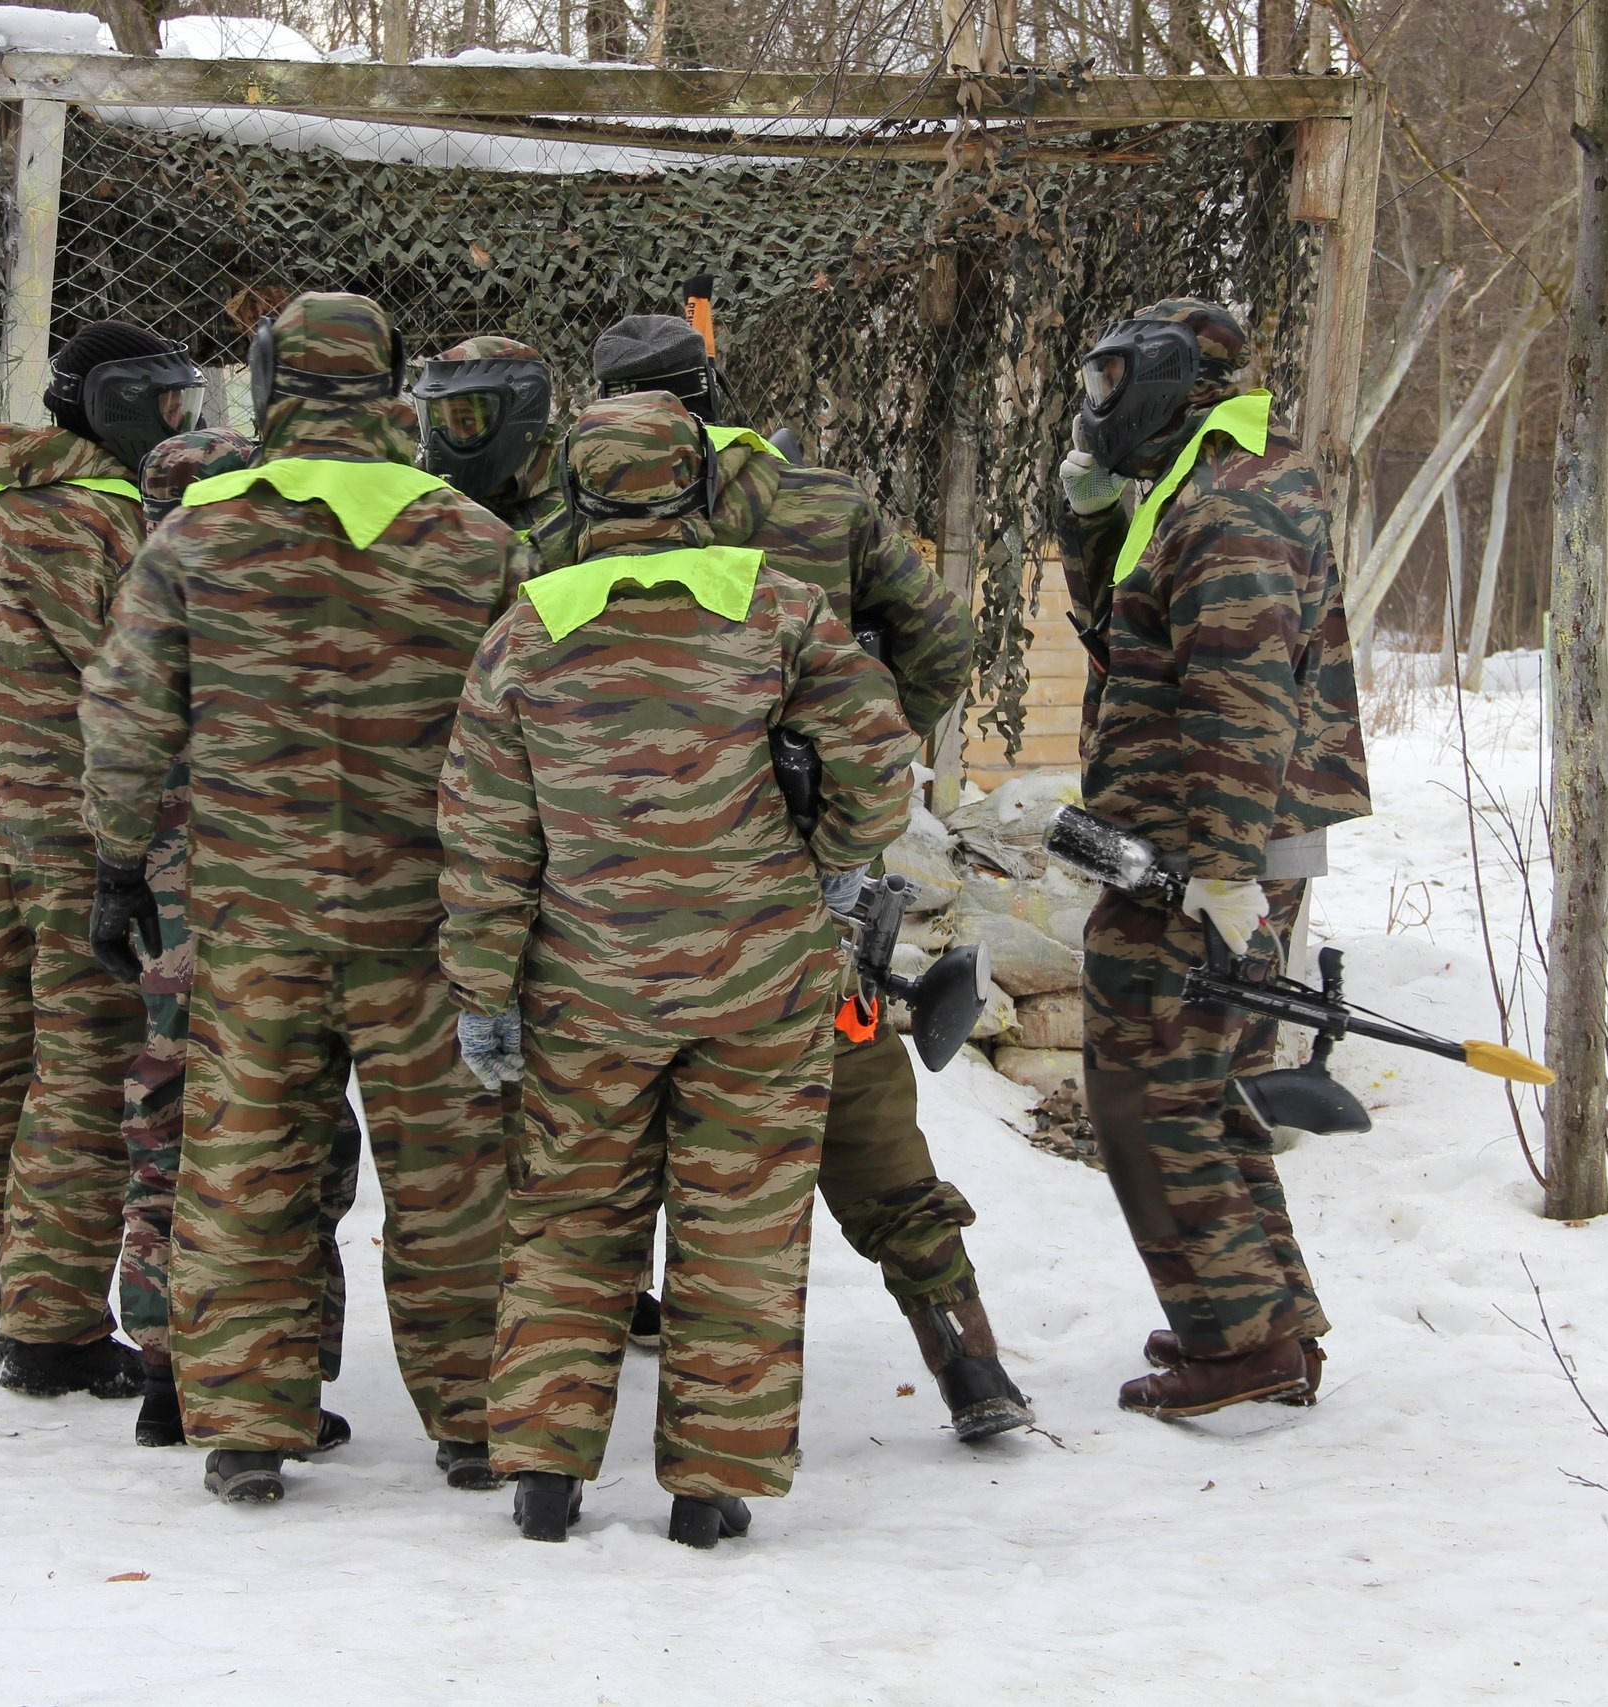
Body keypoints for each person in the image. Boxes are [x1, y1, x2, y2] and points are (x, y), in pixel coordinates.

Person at [438, 391, 921, 1546]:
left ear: (577, 497)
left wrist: (484, 990)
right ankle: (712, 1490)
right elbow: (879, 759)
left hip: (585, 984)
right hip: (762, 977)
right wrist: (836, 873)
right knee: (741, 1226)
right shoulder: (781, 611)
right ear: (697, 493)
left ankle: (545, 1479)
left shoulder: (524, 630)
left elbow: (483, 833)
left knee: (565, 1220)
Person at [551, 311, 1032, 1444]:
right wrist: (855, 780)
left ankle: (585, 1368)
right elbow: (943, 649)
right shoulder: (825, 505)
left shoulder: (573, 526)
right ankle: (967, 1365)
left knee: (608, 1140)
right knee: (867, 1132)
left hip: (626, 901)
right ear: (713, 389)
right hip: (811, 896)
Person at [81, 291, 520, 1505]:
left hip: (250, 915)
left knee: (246, 1165)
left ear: (271, 386)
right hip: (424, 925)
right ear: (392, 388)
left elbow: (126, 718)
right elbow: (522, 730)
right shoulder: (474, 540)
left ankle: (243, 1424)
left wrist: (120, 865)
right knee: (453, 1172)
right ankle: (479, 1420)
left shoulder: (196, 538)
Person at [1052, 297, 1370, 1419]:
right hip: (1191, 841)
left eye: (1109, 383)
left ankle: (1238, 1348)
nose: (1096, 409)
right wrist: (1089, 518)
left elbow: (1240, 702)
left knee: (1149, 1094)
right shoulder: (1204, 485)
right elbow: (1127, 634)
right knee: (1198, 1084)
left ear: (1176, 377)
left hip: (1200, 847)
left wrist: (1227, 872)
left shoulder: (1232, 506)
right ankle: (1255, 1320)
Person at [0, 317, 205, 1399]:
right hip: (88, 836)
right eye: (167, 401)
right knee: (85, 1068)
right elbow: (140, 678)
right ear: (118, 404)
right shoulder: (110, 521)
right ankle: (53, 1331)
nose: (178, 420)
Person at [109, 428, 359, 1457]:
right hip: (266, 907)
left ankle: (168, 1367)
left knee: (172, 1118)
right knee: (288, 1140)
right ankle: (271, 1377)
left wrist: (113, 868)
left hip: (175, 906)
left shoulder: (143, 606)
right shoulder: (271, 599)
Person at [410, 336, 561, 540]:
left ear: (521, 418)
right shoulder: (416, 504)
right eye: (438, 422)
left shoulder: (574, 506)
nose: (443, 439)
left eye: (465, 421)